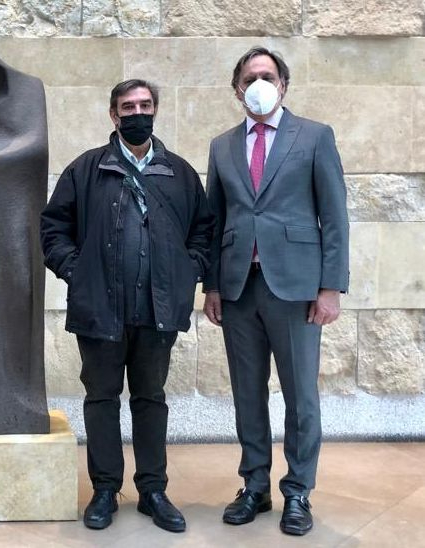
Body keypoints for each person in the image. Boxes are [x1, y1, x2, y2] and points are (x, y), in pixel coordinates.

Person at [41, 80, 214, 532]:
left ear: (155, 110)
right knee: (101, 399)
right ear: (113, 115)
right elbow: (52, 229)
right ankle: (104, 488)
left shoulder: (178, 172)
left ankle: (153, 489)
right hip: (100, 310)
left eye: (145, 105)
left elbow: (204, 230)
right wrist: (78, 272)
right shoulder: (86, 170)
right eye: (128, 107)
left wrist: (188, 268)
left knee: (151, 400)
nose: (138, 112)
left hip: (158, 311)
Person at [203, 47, 349, 536]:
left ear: (283, 84)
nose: (258, 83)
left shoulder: (314, 137)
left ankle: (299, 491)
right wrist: (213, 286)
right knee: (247, 393)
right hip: (239, 288)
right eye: (249, 77)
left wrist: (330, 287)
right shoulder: (222, 146)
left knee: (300, 396)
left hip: (296, 288)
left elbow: (334, 217)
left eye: (266, 75)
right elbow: (214, 219)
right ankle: (255, 486)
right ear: (237, 88)